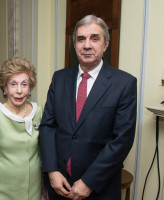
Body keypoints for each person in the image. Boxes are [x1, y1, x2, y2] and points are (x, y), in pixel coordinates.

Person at [39, 15, 137, 200]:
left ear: (105, 44)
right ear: (74, 44)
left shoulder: (124, 83)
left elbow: (121, 140)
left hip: (100, 187)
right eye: (81, 39)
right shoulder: (59, 79)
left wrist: (89, 182)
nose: (87, 45)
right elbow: (48, 126)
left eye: (95, 38)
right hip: (59, 184)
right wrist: (51, 170)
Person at [0, 57, 43, 200]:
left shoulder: (38, 111)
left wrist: (44, 190)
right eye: (13, 84)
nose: (19, 91)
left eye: (24, 84)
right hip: (1, 191)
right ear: (5, 87)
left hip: (33, 189)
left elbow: (41, 153)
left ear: (30, 87)